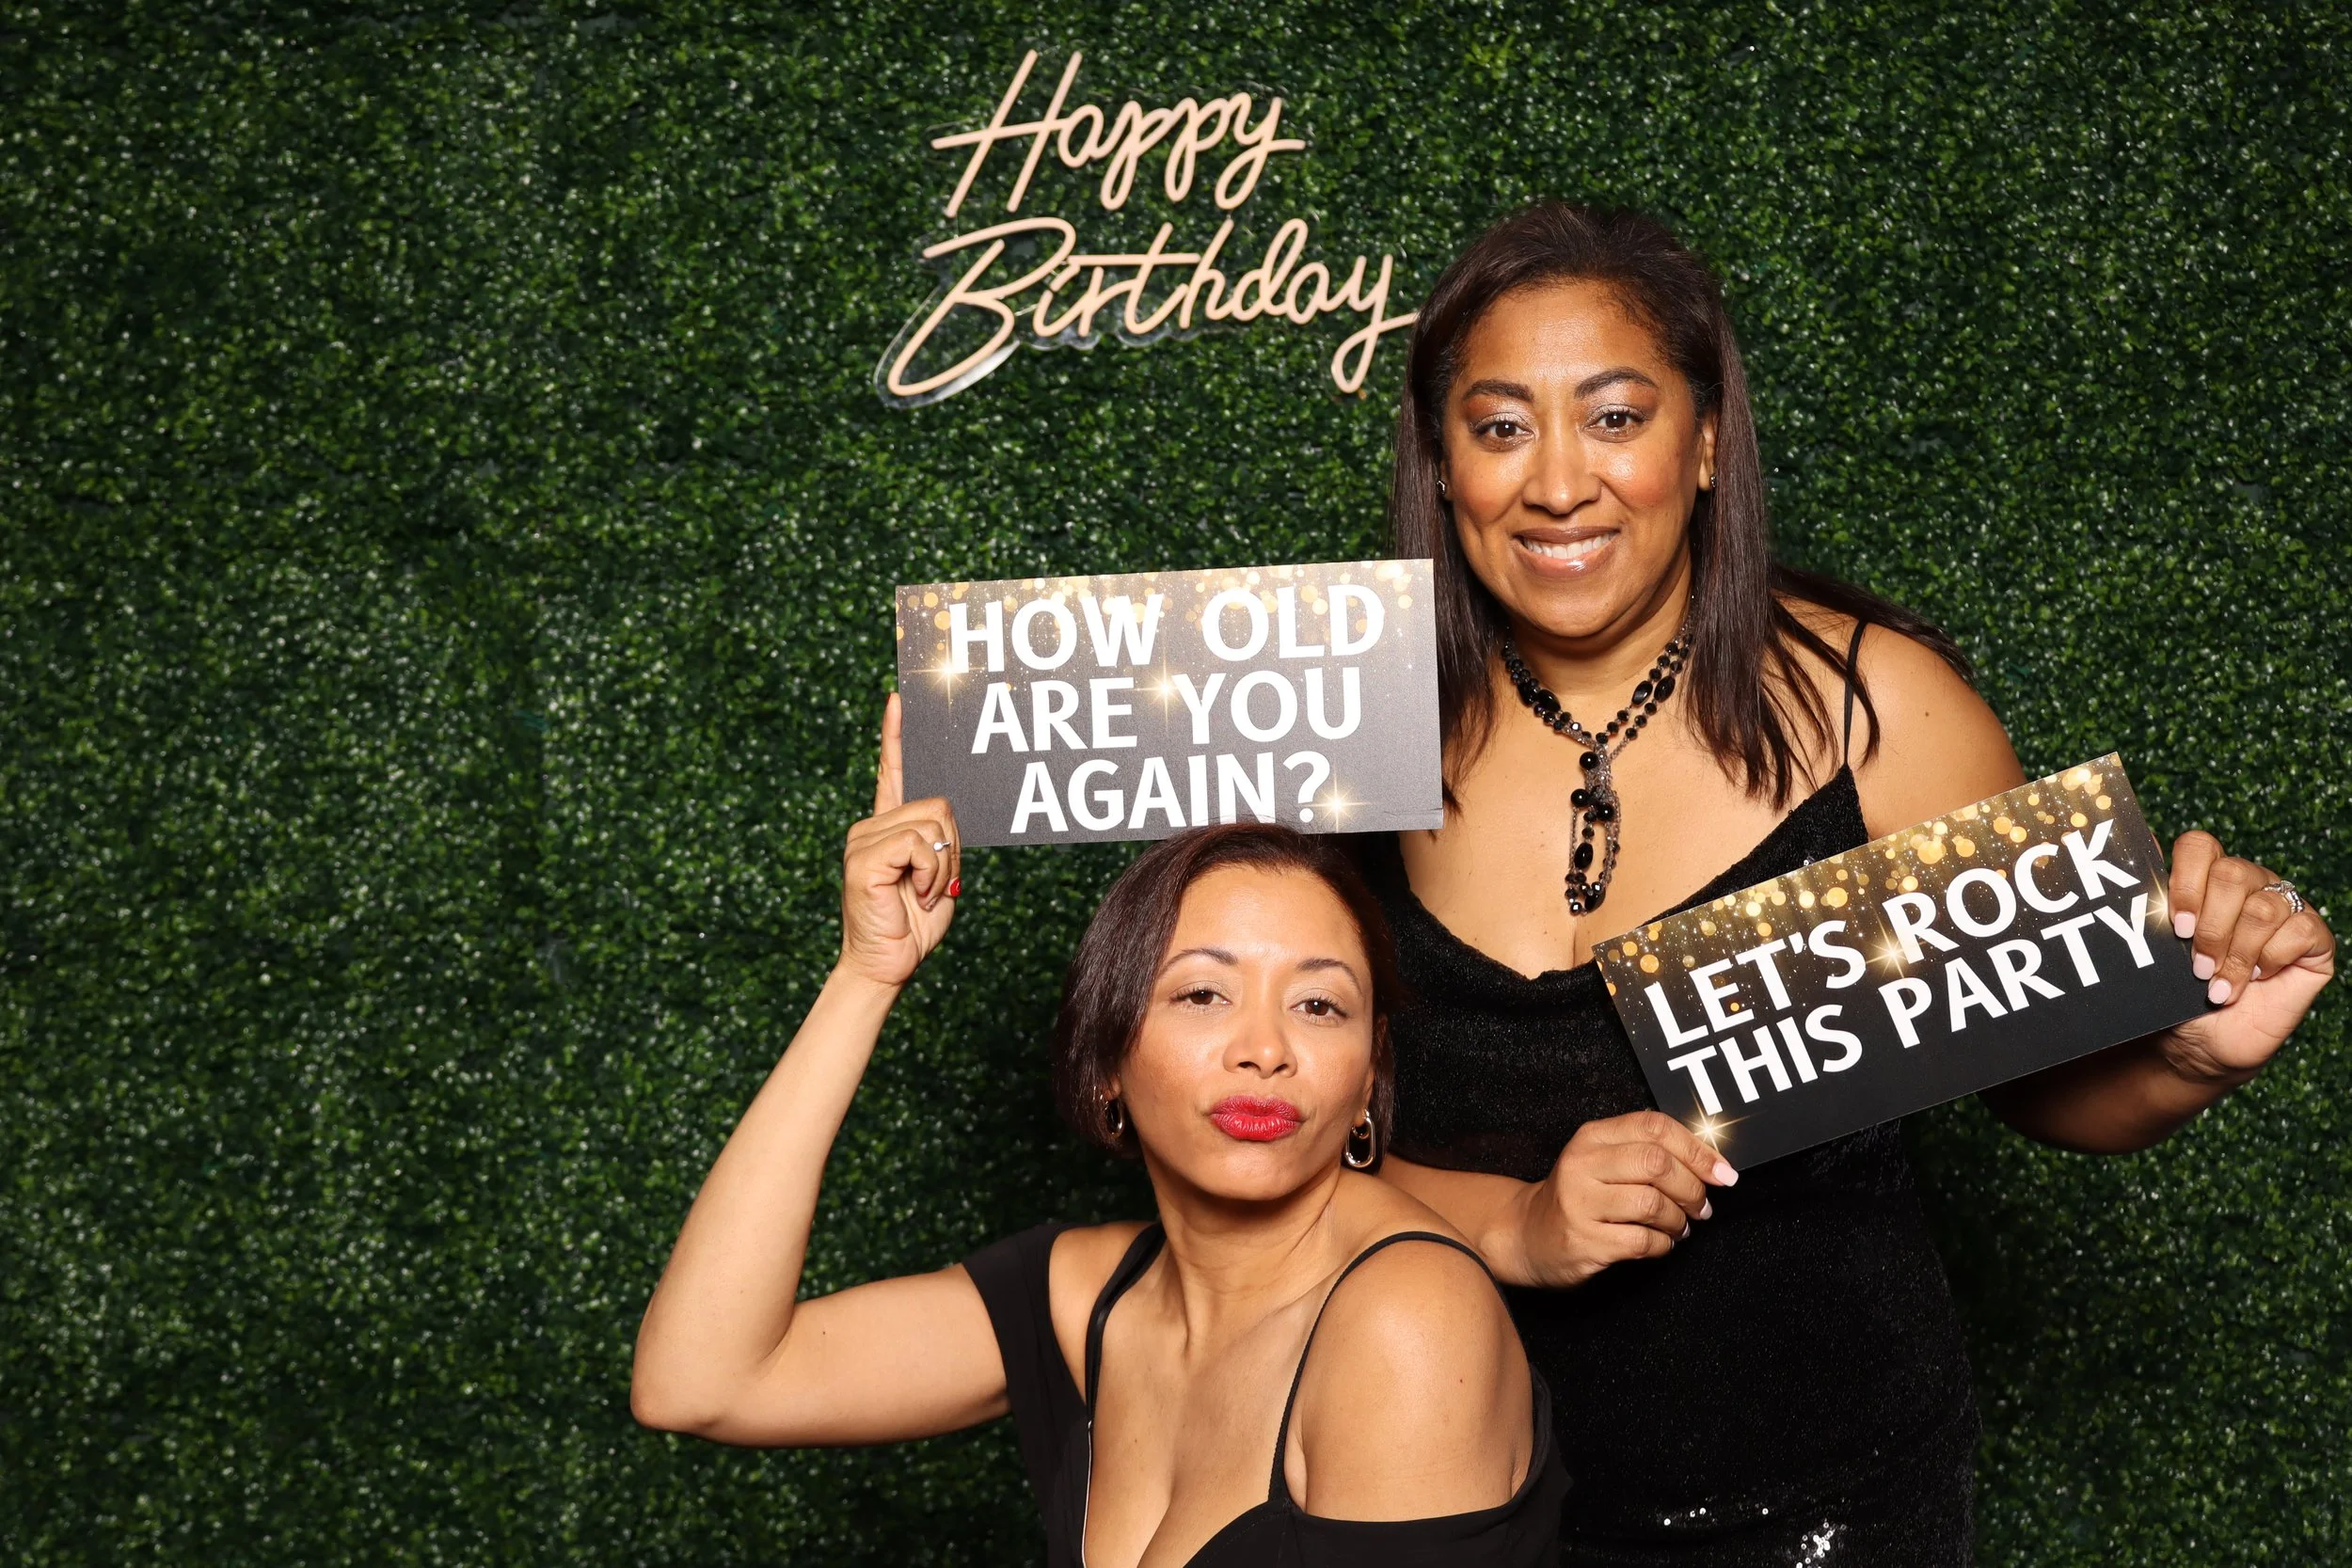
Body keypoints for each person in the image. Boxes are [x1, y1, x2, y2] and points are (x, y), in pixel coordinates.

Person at [1352, 201, 2336, 1565]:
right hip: (1430, 1493)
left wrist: (2188, 1053)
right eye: (1502, 425)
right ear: (1443, 465)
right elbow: (1269, 1151)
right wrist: (1513, 1225)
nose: (1558, 481)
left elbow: (2041, 1075)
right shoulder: (1345, 725)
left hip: (1825, 1505)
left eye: (1617, 416)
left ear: (1703, 443)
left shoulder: (1882, 714)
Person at [630, 696, 1570, 1568]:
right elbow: (704, 1379)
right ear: (1108, 1057)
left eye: (1320, 1004)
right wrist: (866, 976)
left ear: (1368, 1078)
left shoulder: (1407, 1313)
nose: (1264, 1048)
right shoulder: (1093, 1296)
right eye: (1203, 991)